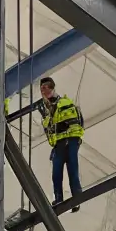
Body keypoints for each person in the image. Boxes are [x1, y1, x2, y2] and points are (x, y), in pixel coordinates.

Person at [38, 75, 84, 208]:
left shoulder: (63, 102)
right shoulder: (48, 109)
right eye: (42, 89)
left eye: (46, 88)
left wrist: (68, 131)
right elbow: (49, 129)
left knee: (72, 168)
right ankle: (59, 198)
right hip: (59, 143)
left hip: (69, 139)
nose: (44, 91)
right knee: (56, 172)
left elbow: (73, 121)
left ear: (52, 88)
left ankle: (77, 196)